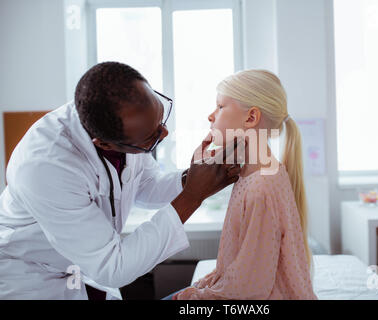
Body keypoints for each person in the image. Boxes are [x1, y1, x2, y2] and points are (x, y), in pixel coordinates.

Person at [0, 62, 241, 299]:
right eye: (152, 137)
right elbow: (112, 268)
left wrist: (193, 178)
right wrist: (192, 196)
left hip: (78, 268)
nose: (164, 133)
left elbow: (146, 186)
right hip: (30, 277)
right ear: (104, 144)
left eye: (161, 117)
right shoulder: (46, 167)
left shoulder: (119, 119)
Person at [172, 69, 317, 300]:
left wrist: (191, 298)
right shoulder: (253, 175)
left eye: (220, 107)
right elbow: (239, 268)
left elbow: (249, 288)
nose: (211, 116)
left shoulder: (261, 187)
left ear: (251, 118)